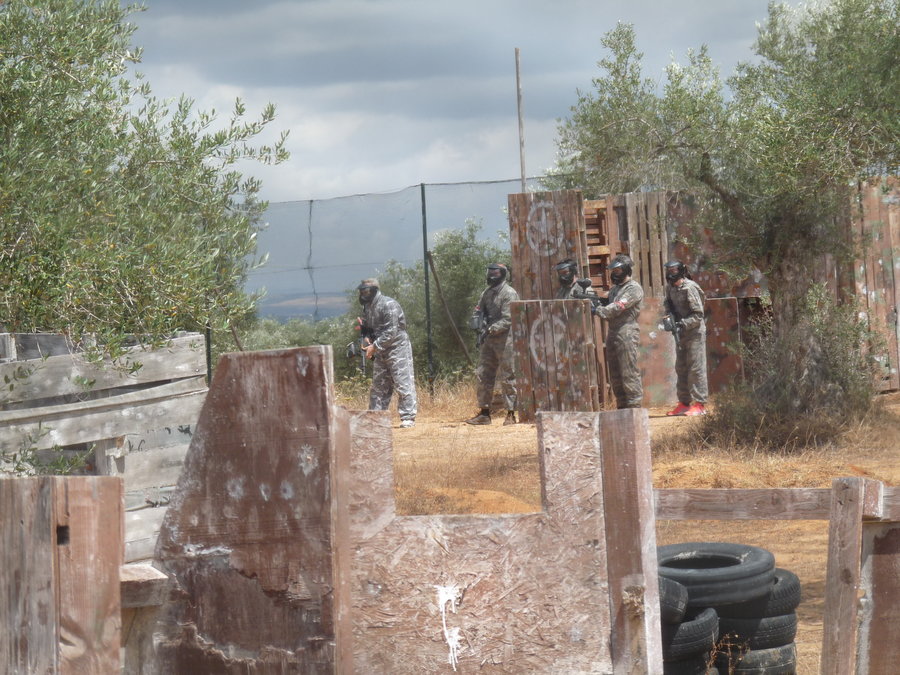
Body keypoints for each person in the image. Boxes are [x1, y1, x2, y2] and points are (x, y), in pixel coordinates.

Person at [356, 278, 418, 428]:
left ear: (374, 290)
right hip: (380, 349)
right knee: (379, 386)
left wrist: (374, 346)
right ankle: (376, 419)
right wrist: (367, 338)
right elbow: (369, 328)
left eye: (366, 291)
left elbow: (391, 332)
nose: (363, 294)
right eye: (362, 291)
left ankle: (408, 417)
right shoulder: (368, 307)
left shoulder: (389, 304)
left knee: (403, 382)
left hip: (397, 347)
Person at [466, 263, 519, 426]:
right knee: (483, 374)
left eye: (495, 273)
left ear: (502, 274)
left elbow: (509, 318)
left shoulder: (509, 293)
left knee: (508, 375)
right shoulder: (486, 293)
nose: (491, 276)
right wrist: (477, 323)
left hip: (506, 340)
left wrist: (490, 329)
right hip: (488, 339)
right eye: (490, 272)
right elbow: (478, 311)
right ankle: (484, 413)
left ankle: (511, 414)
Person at [592, 254, 644, 409]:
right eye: (613, 271)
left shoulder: (633, 288)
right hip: (613, 331)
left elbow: (617, 307)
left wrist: (598, 309)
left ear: (626, 270)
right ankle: (622, 407)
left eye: (618, 270)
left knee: (629, 371)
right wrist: (597, 301)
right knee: (615, 374)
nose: (614, 273)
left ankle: (634, 407)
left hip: (627, 331)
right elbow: (609, 302)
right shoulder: (615, 289)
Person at [662, 260, 708, 416]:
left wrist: (683, 324)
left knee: (696, 367)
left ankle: (700, 404)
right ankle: (684, 403)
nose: (670, 273)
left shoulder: (690, 287)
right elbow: (667, 304)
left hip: (694, 332)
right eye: (668, 270)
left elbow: (698, 314)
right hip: (680, 332)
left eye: (674, 270)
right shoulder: (670, 288)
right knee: (681, 367)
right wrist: (669, 319)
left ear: (681, 271)